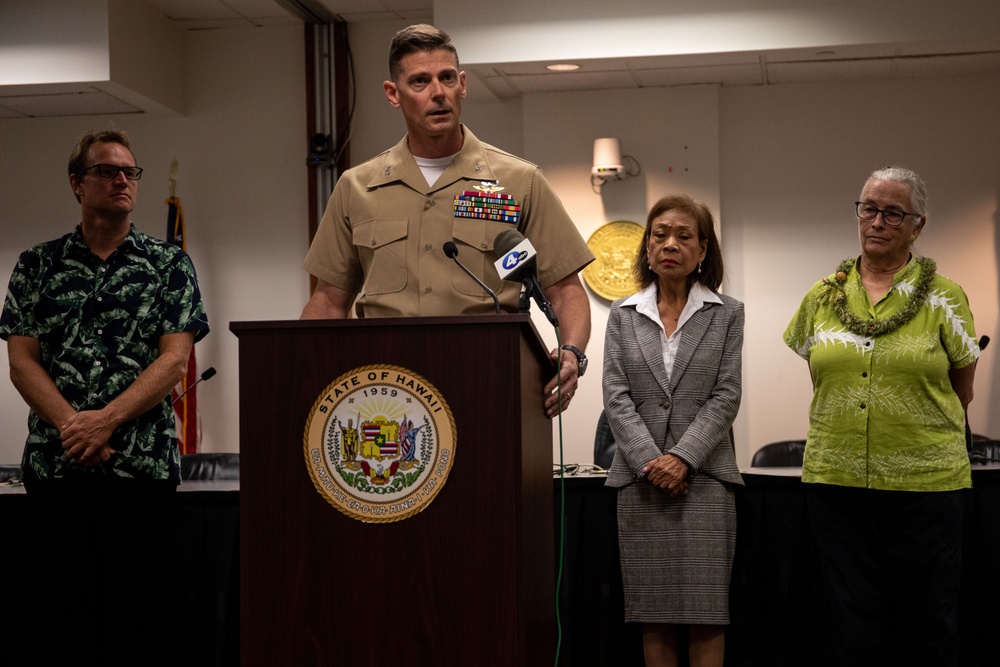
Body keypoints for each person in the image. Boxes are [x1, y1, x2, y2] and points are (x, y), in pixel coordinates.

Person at [300, 23, 593, 417]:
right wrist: (299, 370)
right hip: (381, 387)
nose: (438, 92)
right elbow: (329, 302)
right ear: (393, 94)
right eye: (420, 81)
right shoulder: (358, 187)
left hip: (489, 378)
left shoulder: (516, 181)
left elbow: (564, 289)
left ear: (463, 85)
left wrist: (572, 352)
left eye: (447, 78)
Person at [0, 129, 210, 665]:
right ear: (77, 183)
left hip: (137, 470)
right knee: (60, 619)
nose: (122, 180)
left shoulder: (168, 265)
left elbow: (174, 359)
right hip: (57, 467)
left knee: (140, 621)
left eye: (131, 172)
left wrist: (106, 421)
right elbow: (23, 361)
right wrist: (76, 426)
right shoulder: (36, 265)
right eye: (108, 171)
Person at [783, 166, 979, 667]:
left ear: (918, 225)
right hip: (837, 482)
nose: (877, 221)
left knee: (928, 621)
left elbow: (962, 388)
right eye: (868, 208)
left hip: (927, 485)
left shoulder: (946, 297)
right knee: (851, 621)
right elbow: (823, 377)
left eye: (893, 212)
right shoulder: (822, 296)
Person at [603, 194, 744, 667]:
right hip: (641, 483)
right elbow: (616, 396)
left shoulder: (727, 313)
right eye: (659, 233)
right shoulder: (622, 315)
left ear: (703, 251)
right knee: (653, 613)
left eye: (684, 236)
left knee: (707, 613)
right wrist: (651, 462)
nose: (670, 243)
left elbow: (726, 395)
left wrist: (682, 458)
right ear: (646, 246)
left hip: (704, 481)